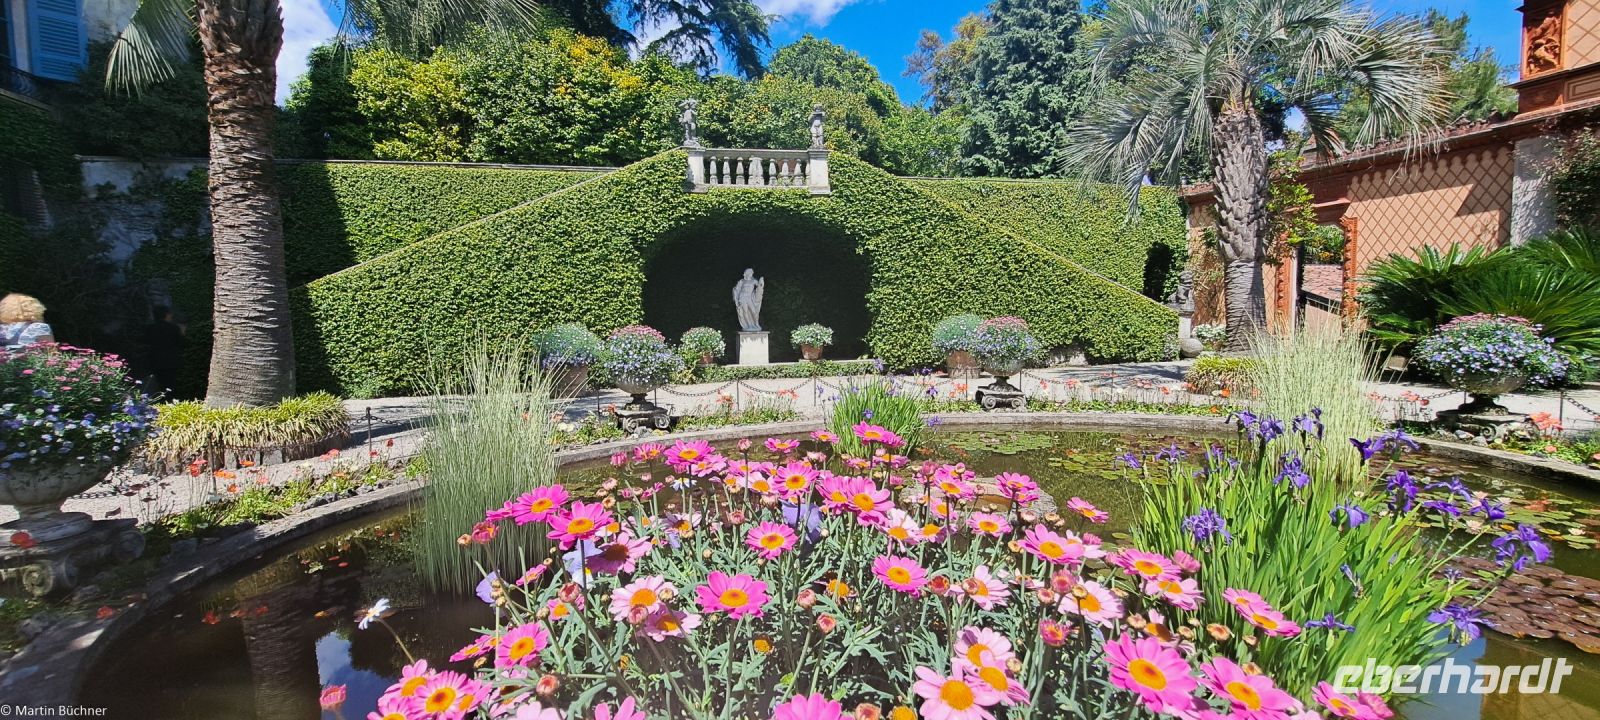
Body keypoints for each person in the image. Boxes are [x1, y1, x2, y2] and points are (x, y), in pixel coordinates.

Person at [143, 305, 186, 397]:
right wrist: (182, 333)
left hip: (154, 360)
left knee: (158, 383)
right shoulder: (174, 328)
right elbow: (182, 344)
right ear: (167, 315)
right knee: (170, 385)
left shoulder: (149, 328)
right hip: (171, 361)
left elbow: (145, 342)